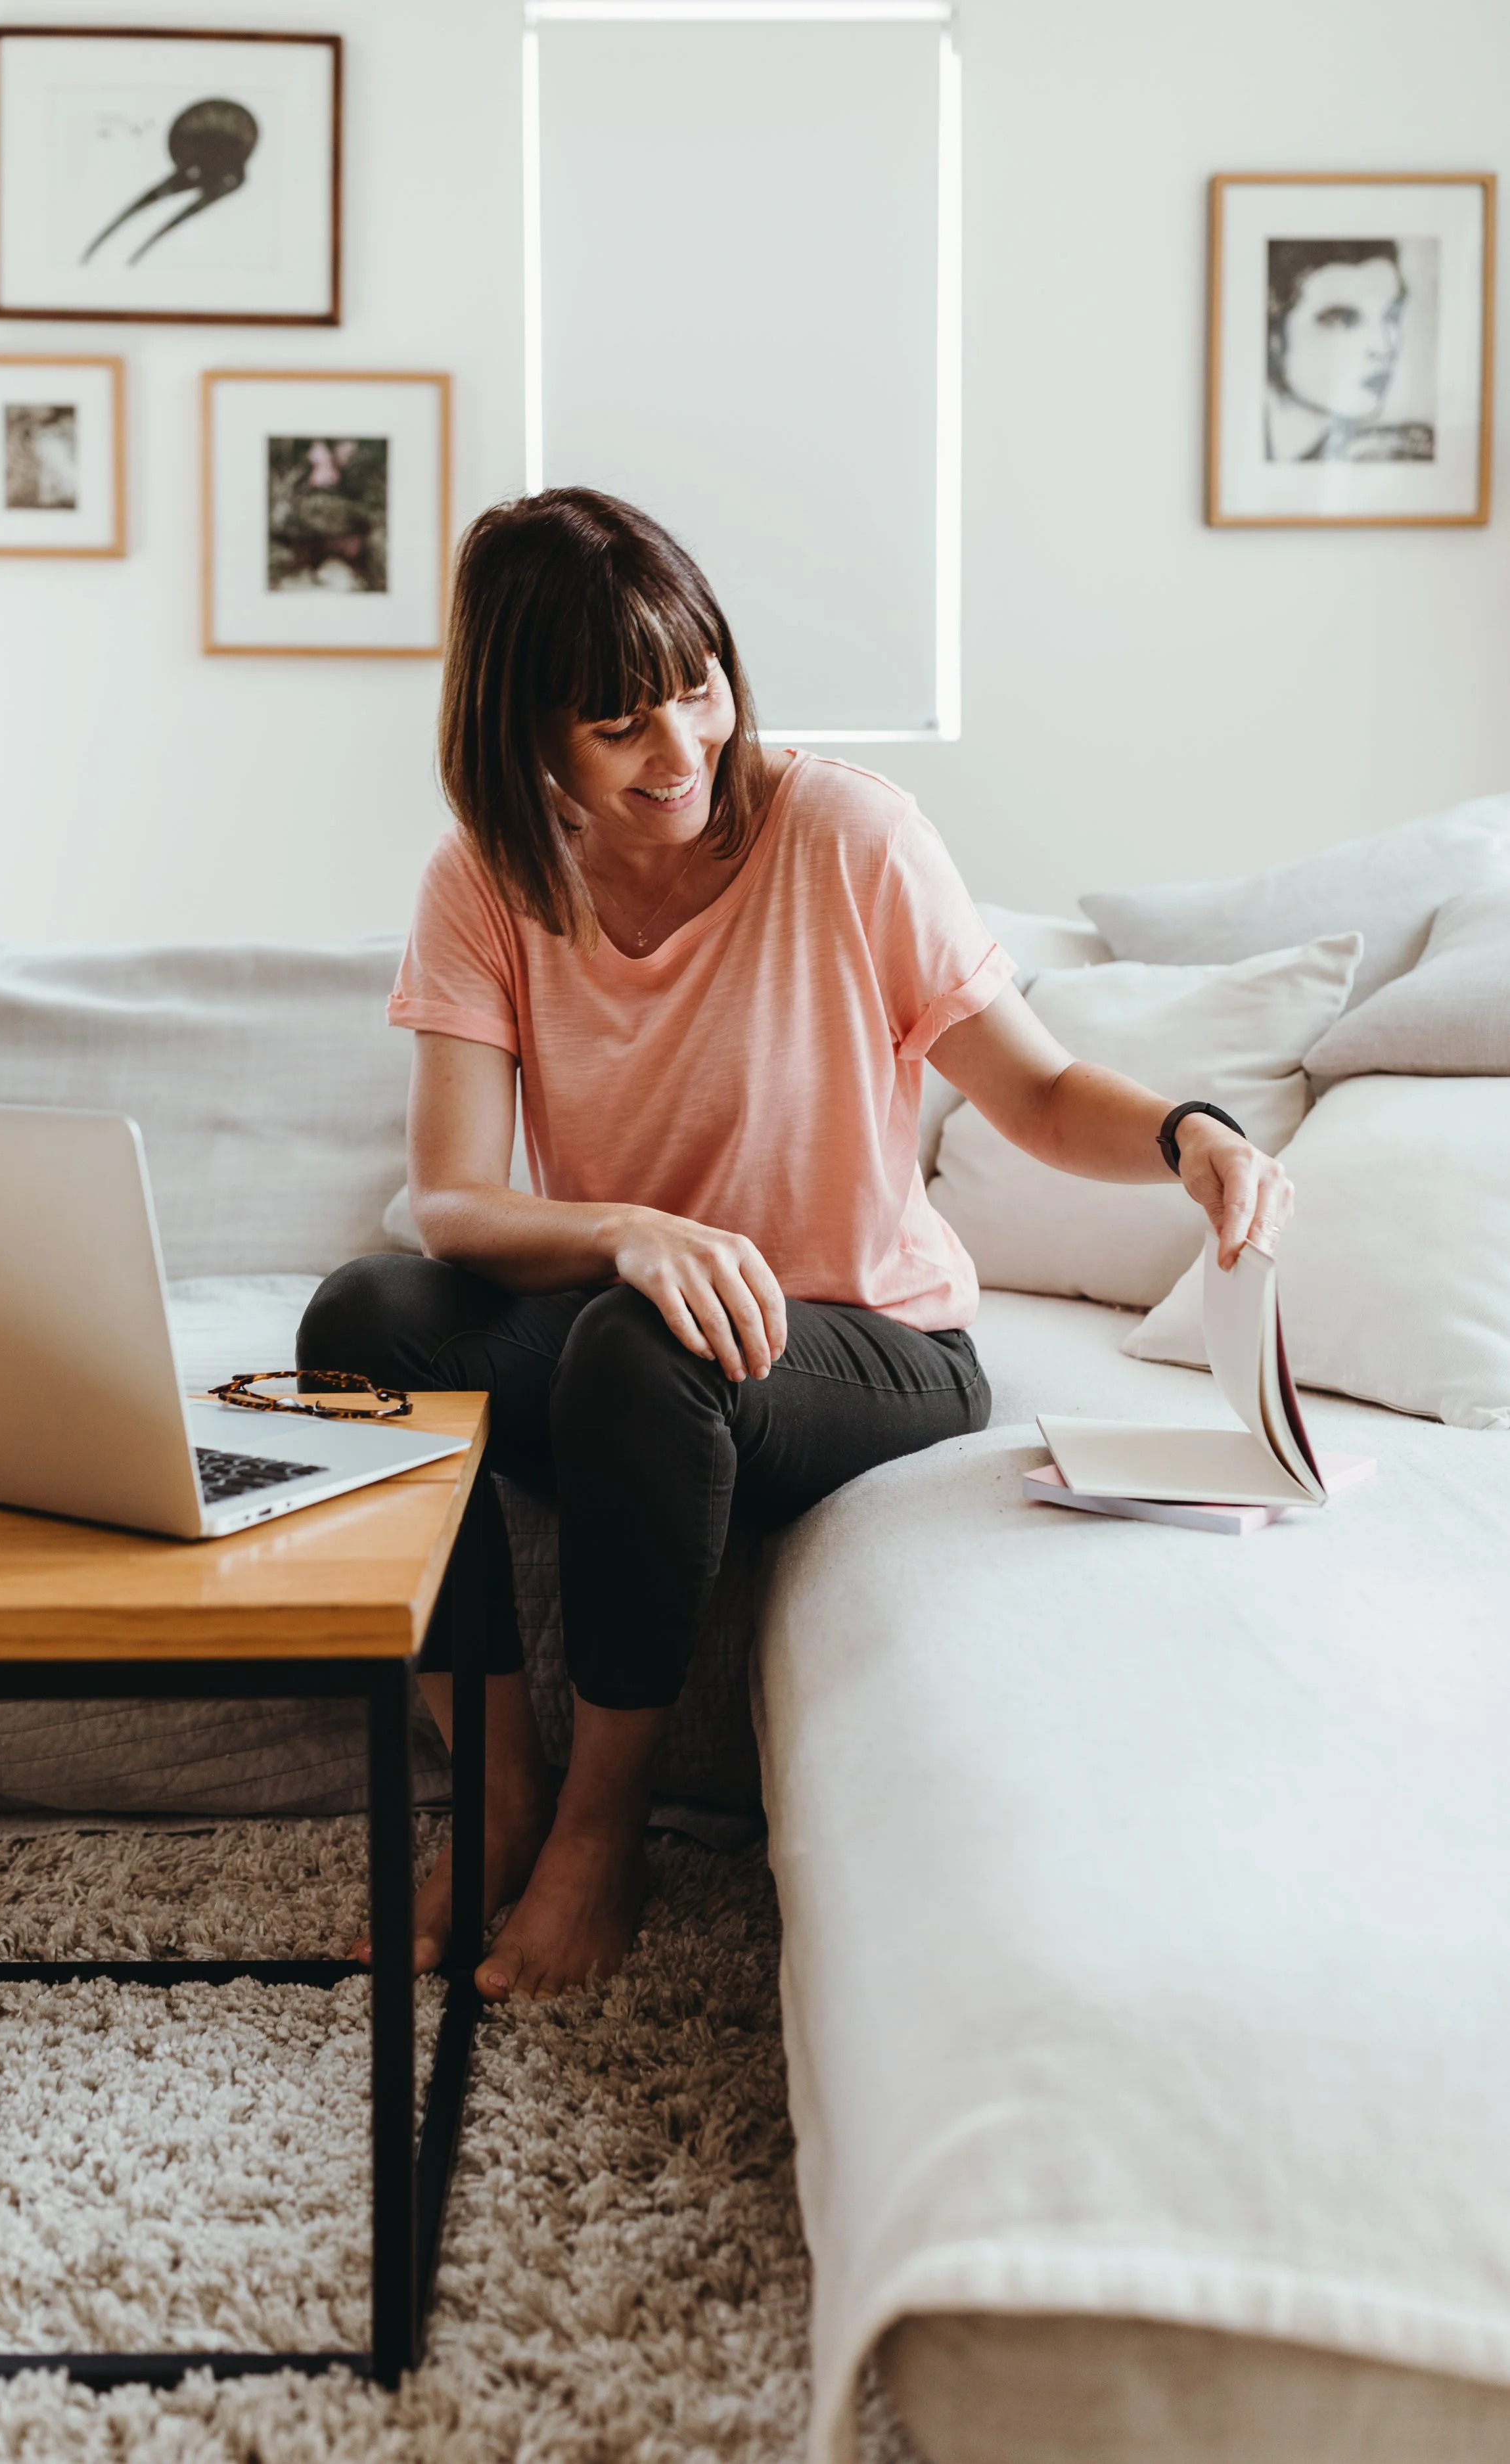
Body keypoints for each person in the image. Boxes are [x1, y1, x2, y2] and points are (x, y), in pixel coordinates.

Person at [298, 488, 1294, 2003]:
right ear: (526, 734)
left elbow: (1033, 1092)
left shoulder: (847, 835)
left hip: (866, 1348)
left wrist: (1188, 1135)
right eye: (619, 722)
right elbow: (449, 1200)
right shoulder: (487, 876)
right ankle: (497, 1790)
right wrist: (628, 1229)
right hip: (640, 1353)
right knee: (362, 1322)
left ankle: (600, 1832)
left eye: (696, 688)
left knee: (643, 1344)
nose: (680, 747)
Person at [1265, 237, 1434, 463]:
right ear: (1273, 335)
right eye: (1342, 320)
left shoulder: (1409, 454)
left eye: (1392, 316)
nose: (1385, 347)